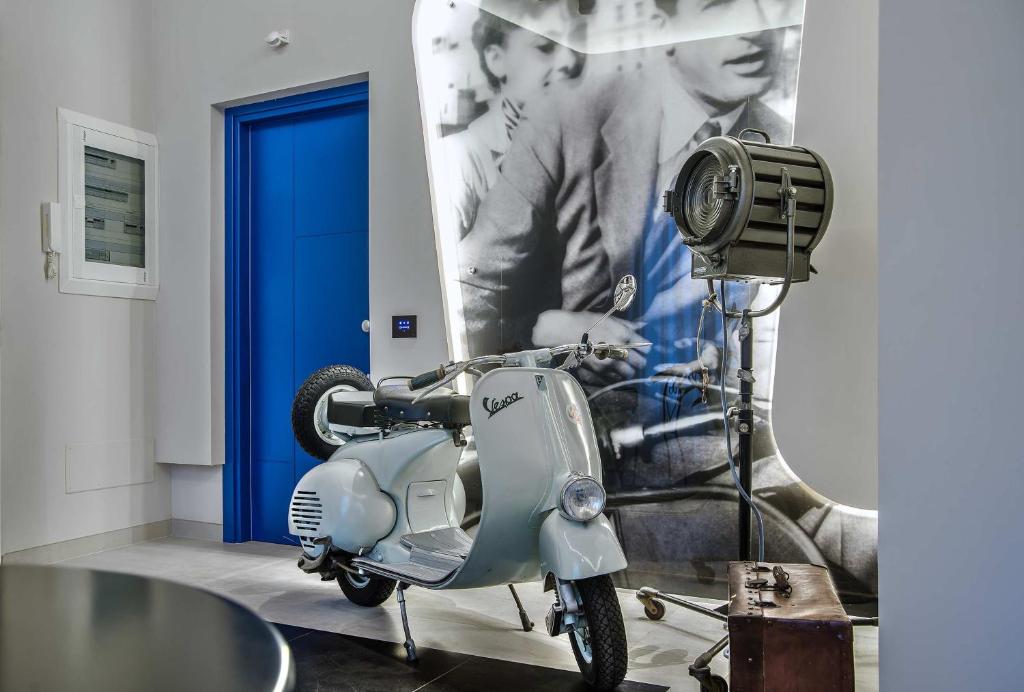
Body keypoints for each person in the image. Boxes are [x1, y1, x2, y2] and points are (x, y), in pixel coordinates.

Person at [457, 0, 793, 386]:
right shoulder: (568, 117)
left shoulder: (783, 150)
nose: (758, 29)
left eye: (772, 5)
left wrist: (720, 352)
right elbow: (475, 292)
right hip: (570, 406)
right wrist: (541, 333)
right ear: (661, 30)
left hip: (701, 413)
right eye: (720, 6)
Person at [443, 4, 584, 239]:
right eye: (546, 47)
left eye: (576, 47)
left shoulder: (583, 148)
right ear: (497, 60)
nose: (570, 62)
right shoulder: (460, 161)